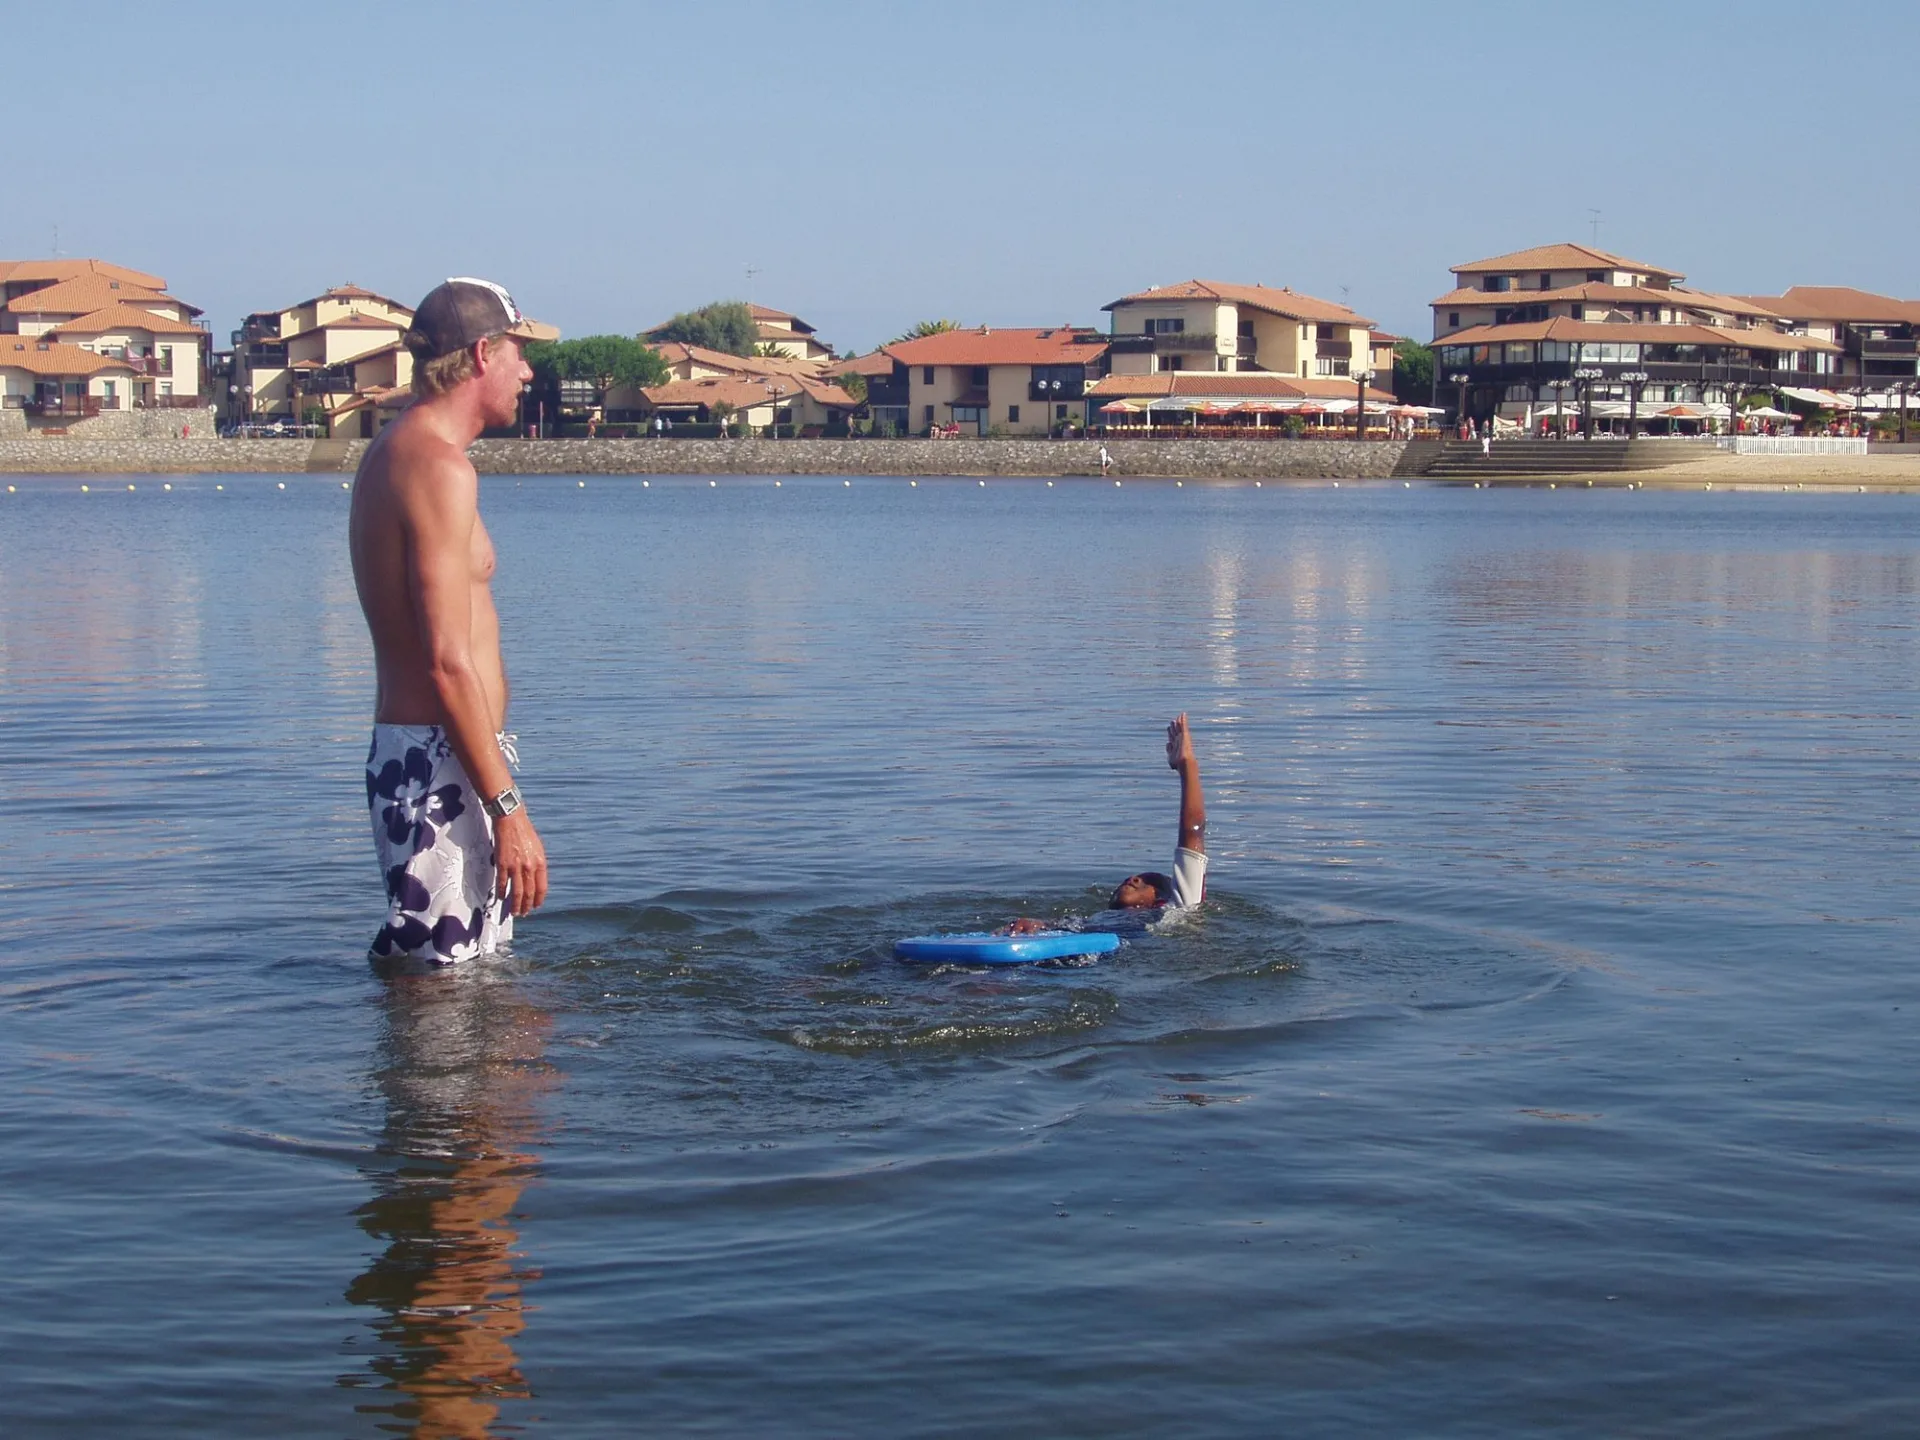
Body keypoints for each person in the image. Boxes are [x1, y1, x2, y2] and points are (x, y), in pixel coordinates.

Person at [348, 277, 558, 965]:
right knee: (441, 1004)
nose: (527, 371)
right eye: (518, 352)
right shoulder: (435, 467)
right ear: (478, 355)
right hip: (436, 766)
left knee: (472, 1002)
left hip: (448, 760)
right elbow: (445, 658)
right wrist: (510, 810)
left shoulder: (405, 451)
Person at [1006, 714, 1207, 934]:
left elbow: (1193, 831)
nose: (1133, 879)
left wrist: (1187, 766)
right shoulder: (1097, 919)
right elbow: (1067, 930)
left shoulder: (1176, 911)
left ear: (1160, 898)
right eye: (1128, 880)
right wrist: (1036, 925)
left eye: (1150, 882)